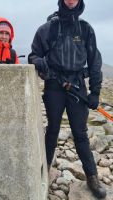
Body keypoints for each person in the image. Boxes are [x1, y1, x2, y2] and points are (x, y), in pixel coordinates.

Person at [28, 0, 106, 198]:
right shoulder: (48, 29)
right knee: (52, 129)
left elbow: (94, 61)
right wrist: (41, 64)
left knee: (80, 133)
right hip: (54, 86)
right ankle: (43, 171)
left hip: (77, 87)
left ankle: (92, 177)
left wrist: (95, 91)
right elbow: (33, 55)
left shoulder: (86, 29)